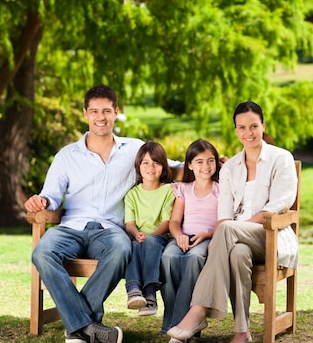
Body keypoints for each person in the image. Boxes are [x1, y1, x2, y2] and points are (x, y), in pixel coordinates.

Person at [24, 84, 180, 343]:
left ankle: (77, 327)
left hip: (110, 231)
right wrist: (40, 200)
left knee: (122, 250)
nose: (100, 117)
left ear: (116, 112)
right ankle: (87, 325)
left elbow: (170, 166)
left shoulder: (133, 149)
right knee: (42, 252)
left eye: (106, 111)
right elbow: (50, 195)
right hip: (71, 227)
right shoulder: (67, 155)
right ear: (85, 113)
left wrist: (210, 162)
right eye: (94, 111)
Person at [167, 101, 299, 343]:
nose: (248, 133)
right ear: (235, 130)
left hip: (271, 235)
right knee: (237, 252)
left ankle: (198, 310)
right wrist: (229, 230)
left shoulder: (281, 158)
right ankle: (242, 332)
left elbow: (278, 206)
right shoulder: (230, 169)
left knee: (228, 230)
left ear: (263, 125)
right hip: (237, 241)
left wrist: (237, 227)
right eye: (241, 127)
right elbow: (224, 213)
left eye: (254, 126)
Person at [160, 139, 221, 340]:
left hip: (206, 238)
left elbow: (224, 221)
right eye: (200, 161)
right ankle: (175, 323)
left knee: (195, 258)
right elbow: (175, 221)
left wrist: (207, 234)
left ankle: (180, 325)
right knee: (168, 257)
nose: (206, 166)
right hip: (183, 237)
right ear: (189, 165)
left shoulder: (220, 190)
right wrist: (178, 236)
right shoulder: (184, 189)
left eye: (211, 161)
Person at [124, 141, 176, 317]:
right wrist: (136, 233)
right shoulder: (132, 194)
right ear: (138, 166)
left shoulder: (169, 191)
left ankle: (150, 294)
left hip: (159, 237)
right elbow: (129, 223)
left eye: (156, 162)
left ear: (163, 166)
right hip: (138, 237)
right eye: (145, 162)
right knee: (132, 245)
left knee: (150, 242)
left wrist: (150, 236)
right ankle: (133, 290)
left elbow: (166, 222)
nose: (151, 167)